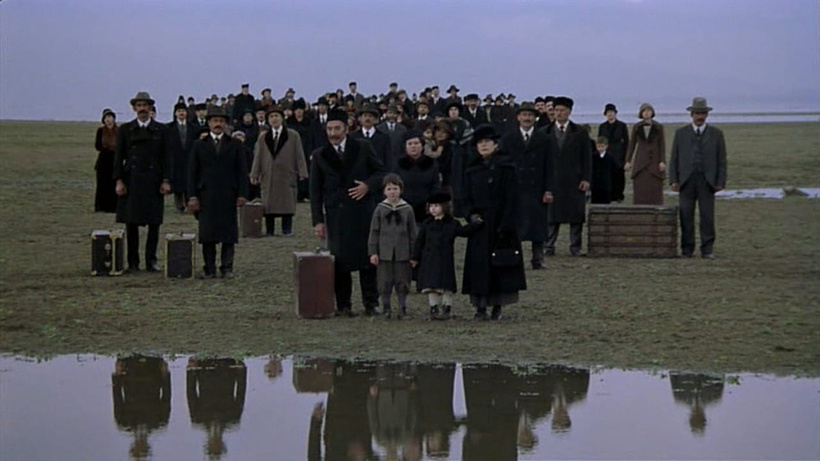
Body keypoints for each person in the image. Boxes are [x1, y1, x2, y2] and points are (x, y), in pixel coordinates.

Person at [310, 108, 387, 317]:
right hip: (336, 215)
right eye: (329, 129)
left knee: (367, 260)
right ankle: (343, 305)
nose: (333, 133)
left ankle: (371, 303)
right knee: (340, 261)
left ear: (346, 128)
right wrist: (318, 221)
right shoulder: (320, 155)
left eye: (337, 128)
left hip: (362, 212)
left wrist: (367, 186)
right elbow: (315, 191)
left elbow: (381, 172)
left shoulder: (362, 147)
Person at [461, 124, 526, 321]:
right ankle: (480, 307)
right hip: (479, 226)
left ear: (496, 144)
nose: (483, 145)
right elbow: (465, 198)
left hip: (501, 223)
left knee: (500, 265)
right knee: (479, 267)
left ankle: (498, 306)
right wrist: (471, 215)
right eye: (480, 143)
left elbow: (512, 198)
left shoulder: (506, 168)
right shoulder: (471, 170)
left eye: (487, 142)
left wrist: (506, 224)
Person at [113, 91, 172, 272]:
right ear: (134, 108)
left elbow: (167, 157)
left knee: (154, 223)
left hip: (154, 181)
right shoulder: (125, 130)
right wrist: (118, 181)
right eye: (139, 106)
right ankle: (133, 262)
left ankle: (151, 261)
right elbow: (118, 158)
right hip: (132, 181)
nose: (142, 109)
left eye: (145, 105)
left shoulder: (162, 130)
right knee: (131, 223)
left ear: (151, 107)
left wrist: (166, 180)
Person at [187, 106, 249, 279]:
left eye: (221, 121)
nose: (218, 124)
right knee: (208, 234)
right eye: (215, 121)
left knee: (228, 234)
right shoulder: (199, 145)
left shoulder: (235, 145)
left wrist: (242, 194)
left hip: (228, 194)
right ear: (209, 123)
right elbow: (192, 172)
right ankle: (209, 268)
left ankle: (227, 267)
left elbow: (242, 172)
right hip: (206, 195)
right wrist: (192, 196)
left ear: (226, 124)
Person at [669, 97, 727, 259]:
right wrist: (673, 179)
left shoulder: (716, 134)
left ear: (707, 115)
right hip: (686, 181)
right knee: (685, 216)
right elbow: (674, 158)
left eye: (702, 113)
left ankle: (707, 249)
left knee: (707, 216)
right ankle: (687, 249)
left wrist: (720, 182)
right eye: (697, 113)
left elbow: (721, 160)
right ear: (691, 114)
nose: (700, 116)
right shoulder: (681, 133)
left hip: (707, 181)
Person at [501, 102, 554, 270]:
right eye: (524, 115)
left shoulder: (544, 139)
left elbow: (550, 166)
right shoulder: (508, 139)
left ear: (535, 118)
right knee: (515, 226)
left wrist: (549, 190)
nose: (527, 118)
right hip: (514, 189)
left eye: (530, 115)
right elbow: (502, 163)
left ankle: (538, 259)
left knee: (537, 226)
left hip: (537, 188)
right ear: (518, 117)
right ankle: (515, 259)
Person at [411, 192, 480, 320]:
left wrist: (475, 224)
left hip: (445, 260)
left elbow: (464, 232)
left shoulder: (452, 223)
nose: (433, 209)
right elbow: (419, 242)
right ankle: (434, 308)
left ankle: (446, 307)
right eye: (431, 206)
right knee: (431, 286)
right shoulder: (426, 224)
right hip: (429, 259)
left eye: (436, 206)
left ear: (444, 206)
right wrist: (415, 257)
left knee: (446, 286)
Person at [542, 96, 592, 257]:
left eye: (562, 110)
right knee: (551, 216)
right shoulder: (544, 132)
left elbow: (587, 158)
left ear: (569, 112)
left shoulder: (580, 132)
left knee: (576, 215)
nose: (559, 113)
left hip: (574, 180)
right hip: (552, 180)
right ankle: (548, 246)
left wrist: (586, 178)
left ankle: (575, 247)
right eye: (556, 110)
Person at [250, 105, 308, 236]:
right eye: (271, 117)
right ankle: (270, 230)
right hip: (268, 174)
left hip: (287, 174)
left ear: (282, 118)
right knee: (268, 204)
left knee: (286, 204)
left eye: (276, 116)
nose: (274, 119)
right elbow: (258, 156)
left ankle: (286, 230)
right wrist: (254, 173)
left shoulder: (293, 135)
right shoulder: (263, 137)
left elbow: (299, 154)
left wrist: (302, 171)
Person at [367, 174, 417, 318]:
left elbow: (413, 233)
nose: (392, 192)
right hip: (384, 253)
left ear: (401, 190)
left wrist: (414, 254)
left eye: (395, 188)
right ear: (384, 191)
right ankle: (386, 308)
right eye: (389, 189)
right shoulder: (380, 209)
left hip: (403, 252)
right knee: (384, 281)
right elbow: (374, 232)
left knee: (403, 281)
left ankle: (402, 308)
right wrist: (373, 252)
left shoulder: (407, 209)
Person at [395, 130, 442, 223]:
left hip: (426, 207)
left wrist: (432, 203)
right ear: (405, 146)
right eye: (410, 144)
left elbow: (436, 185)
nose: (413, 146)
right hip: (403, 206)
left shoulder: (431, 163)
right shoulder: (398, 164)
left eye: (416, 143)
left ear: (422, 145)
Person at [625, 102, 666, 205]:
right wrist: (628, 161)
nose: (646, 113)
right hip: (641, 161)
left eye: (648, 111)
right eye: (644, 111)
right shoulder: (637, 127)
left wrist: (662, 161)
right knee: (640, 185)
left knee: (655, 186)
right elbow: (632, 144)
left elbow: (662, 145)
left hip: (654, 160)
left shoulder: (658, 127)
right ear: (641, 114)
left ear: (652, 112)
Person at [167, 102, 197, 213]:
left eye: (183, 111)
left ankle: (190, 205)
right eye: (179, 111)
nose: (181, 113)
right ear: (175, 113)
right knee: (177, 185)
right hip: (176, 160)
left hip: (190, 159)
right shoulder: (169, 128)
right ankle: (179, 206)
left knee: (189, 183)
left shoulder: (193, 128)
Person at [598, 103, 629, 202]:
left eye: (611, 112)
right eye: (608, 113)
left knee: (619, 176)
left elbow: (626, 142)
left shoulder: (622, 125)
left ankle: (619, 195)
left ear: (615, 113)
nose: (610, 114)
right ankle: (609, 195)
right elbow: (600, 140)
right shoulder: (602, 126)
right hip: (606, 153)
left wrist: (626, 158)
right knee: (607, 176)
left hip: (619, 154)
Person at [351, 104, 391, 169]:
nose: (367, 118)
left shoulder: (384, 137)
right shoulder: (353, 137)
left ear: (375, 119)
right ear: (360, 119)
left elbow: (388, 159)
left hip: (379, 172)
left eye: (370, 116)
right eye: (365, 116)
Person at [94, 108, 118, 213]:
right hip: (103, 160)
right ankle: (101, 207)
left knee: (113, 184)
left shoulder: (119, 131)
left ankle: (113, 207)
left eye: (110, 117)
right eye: (106, 118)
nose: (108, 120)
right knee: (102, 185)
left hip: (115, 160)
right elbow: (97, 146)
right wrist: (107, 148)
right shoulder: (100, 131)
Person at [591, 136, 615, 204]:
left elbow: (613, 170)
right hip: (595, 184)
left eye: (602, 146)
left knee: (605, 201)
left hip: (606, 184)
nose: (600, 148)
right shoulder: (593, 156)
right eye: (599, 146)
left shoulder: (610, 157)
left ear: (606, 146)